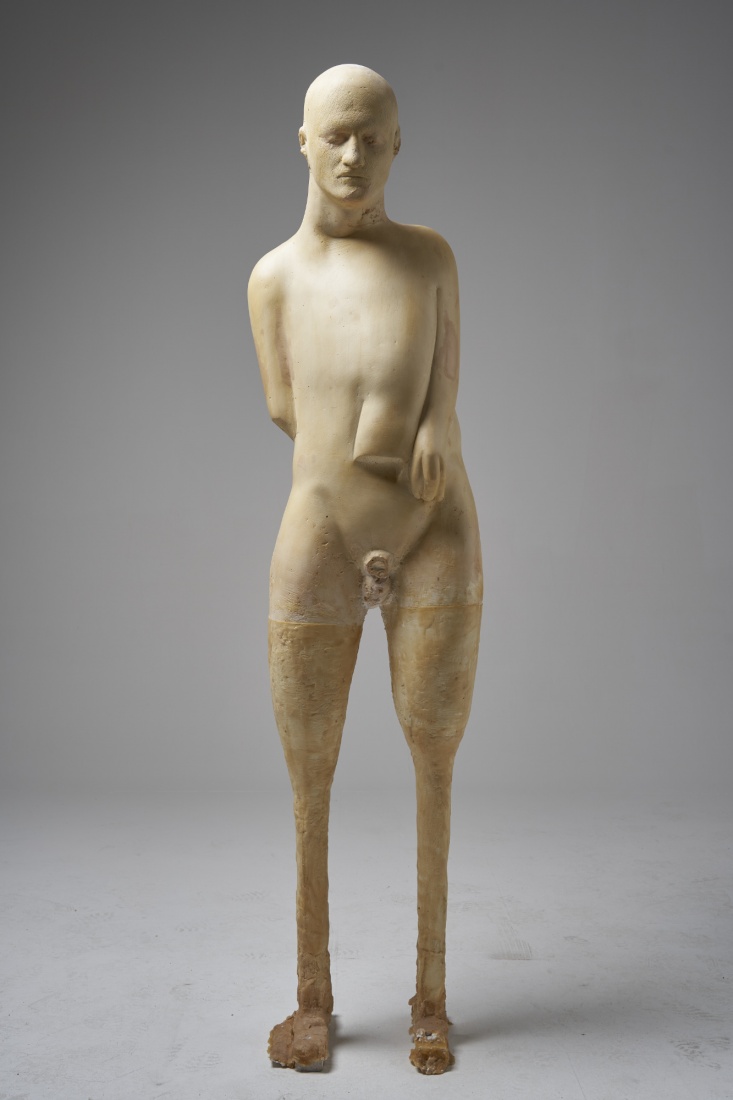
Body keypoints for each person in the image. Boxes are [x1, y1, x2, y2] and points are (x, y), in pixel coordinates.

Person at [248, 63, 482, 1075]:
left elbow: (445, 389)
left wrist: (429, 429)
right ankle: (313, 995)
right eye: (336, 135)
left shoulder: (430, 258)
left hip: (437, 526)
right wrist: (352, 480)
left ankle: (430, 995)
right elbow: (286, 406)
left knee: (434, 758)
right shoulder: (273, 278)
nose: (353, 156)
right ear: (302, 140)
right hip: (322, 529)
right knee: (310, 772)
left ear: (397, 145)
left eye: (373, 137)